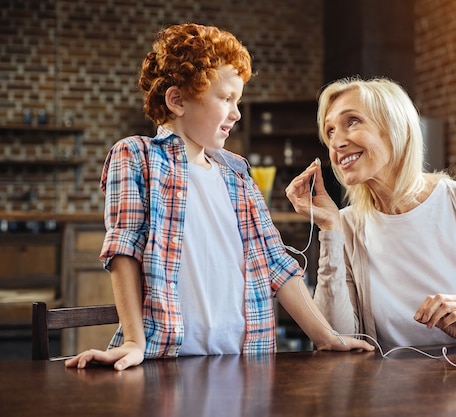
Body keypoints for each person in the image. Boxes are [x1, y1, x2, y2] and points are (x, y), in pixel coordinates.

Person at [65, 24, 373, 371]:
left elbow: (276, 264)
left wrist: (326, 337)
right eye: (226, 98)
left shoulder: (237, 173)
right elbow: (124, 250)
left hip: (246, 363)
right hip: (168, 363)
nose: (236, 113)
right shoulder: (136, 156)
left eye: (237, 101)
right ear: (177, 100)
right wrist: (135, 341)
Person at [286, 77, 456, 351]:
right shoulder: (346, 225)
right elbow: (336, 336)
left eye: (352, 121)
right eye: (330, 131)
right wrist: (330, 230)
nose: (336, 143)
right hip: (383, 390)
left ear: (398, 129)